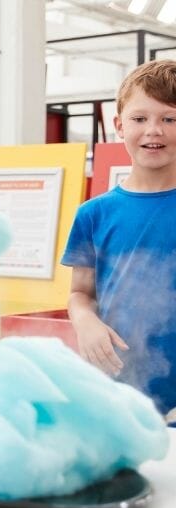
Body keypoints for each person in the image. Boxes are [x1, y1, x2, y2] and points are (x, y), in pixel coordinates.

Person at [63, 59, 176, 424]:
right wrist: (85, 322)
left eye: (169, 119)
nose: (153, 131)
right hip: (118, 393)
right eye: (139, 119)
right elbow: (81, 293)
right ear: (118, 125)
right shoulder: (93, 214)